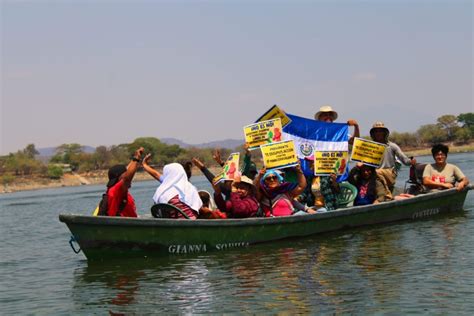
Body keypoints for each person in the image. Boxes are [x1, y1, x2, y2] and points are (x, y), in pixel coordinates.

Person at [369, 122, 416, 195]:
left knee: (377, 172)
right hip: (375, 174)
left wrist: (411, 161)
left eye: (380, 131)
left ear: (384, 133)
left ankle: (385, 195)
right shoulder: (370, 147)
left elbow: (404, 160)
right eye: (376, 131)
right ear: (373, 134)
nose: (378, 133)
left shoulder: (392, 146)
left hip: (389, 172)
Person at [101, 147, 144, 217]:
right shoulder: (116, 190)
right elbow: (127, 179)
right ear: (119, 178)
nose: (130, 178)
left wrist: (135, 158)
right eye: (126, 175)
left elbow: (127, 170)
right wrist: (137, 158)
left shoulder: (115, 190)